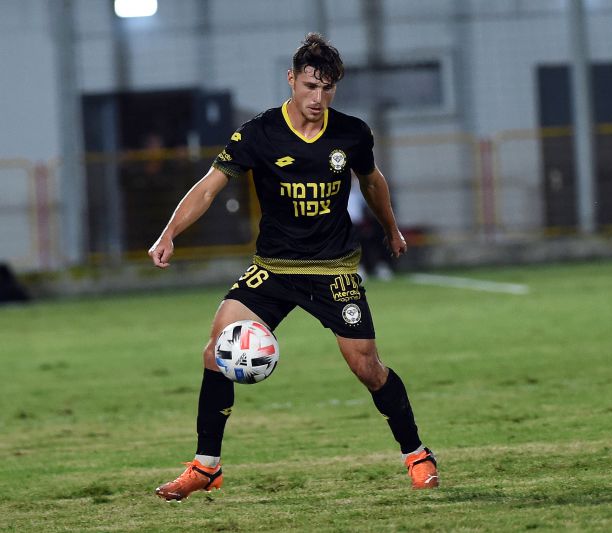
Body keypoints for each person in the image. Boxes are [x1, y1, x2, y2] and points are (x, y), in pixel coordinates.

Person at [148, 33, 439, 501]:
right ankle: (205, 467)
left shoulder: (352, 133)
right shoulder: (259, 133)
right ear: (291, 79)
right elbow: (208, 187)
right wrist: (168, 234)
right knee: (215, 351)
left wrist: (392, 228)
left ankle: (417, 454)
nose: (317, 98)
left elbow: (373, 182)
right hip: (274, 268)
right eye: (309, 86)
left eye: (327, 88)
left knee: (367, 367)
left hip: (333, 271)